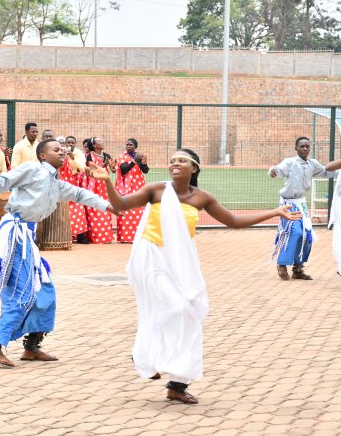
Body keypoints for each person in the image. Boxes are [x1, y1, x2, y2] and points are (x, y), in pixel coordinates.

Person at [86, 148, 301, 404]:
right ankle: (146, 355)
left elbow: (233, 220)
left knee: (189, 313)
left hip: (180, 262)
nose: (175, 164)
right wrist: (107, 181)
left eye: (182, 161)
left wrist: (275, 212)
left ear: (194, 168)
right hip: (152, 258)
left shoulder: (202, 197)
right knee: (175, 307)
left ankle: (178, 384)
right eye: (172, 161)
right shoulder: (156, 190)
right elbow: (120, 205)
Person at [0, 139, 116, 368]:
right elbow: (6, 179)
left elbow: (81, 194)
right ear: (42, 155)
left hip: (28, 237)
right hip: (14, 234)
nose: (62, 152)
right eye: (56, 150)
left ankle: (32, 347)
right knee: (22, 291)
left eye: (63, 150)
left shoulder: (56, 184)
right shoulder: (33, 169)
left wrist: (109, 206)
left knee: (44, 289)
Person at [269, 137, 341, 280]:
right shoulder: (290, 162)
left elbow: (327, 172)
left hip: (301, 203)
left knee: (307, 235)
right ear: (296, 148)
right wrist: (273, 171)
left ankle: (297, 268)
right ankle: (282, 264)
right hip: (288, 203)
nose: (305, 149)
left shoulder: (312, 164)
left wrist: (338, 171)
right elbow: (278, 170)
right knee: (294, 231)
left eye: (307, 146)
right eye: (302, 146)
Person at [115, 138, 150, 242]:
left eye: (130, 144)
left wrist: (144, 163)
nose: (128, 146)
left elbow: (145, 171)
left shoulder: (140, 156)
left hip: (138, 185)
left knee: (138, 209)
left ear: (135, 146)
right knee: (126, 209)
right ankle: (125, 236)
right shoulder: (122, 156)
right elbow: (124, 170)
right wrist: (134, 161)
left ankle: (138, 236)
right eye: (127, 144)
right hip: (126, 187)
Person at [85, 137, 117, 244]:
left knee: (105, 208)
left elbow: (113, 170)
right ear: (94, 145)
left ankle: (106, 237)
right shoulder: (89, 156)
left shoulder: (107, 155)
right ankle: (96, 237)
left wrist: (112, 167)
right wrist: (104, 165)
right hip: (94, 184)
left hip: (104, 185)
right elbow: (93, 170)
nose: (102, 142)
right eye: (99, 141)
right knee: (94, 208)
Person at [60, 136, 90, 244]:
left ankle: (81, 236)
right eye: (68, 142)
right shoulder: (60, 153)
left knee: (78, 210)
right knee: (64, 212)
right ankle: (66, 236)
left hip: (75, 185)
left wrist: (72, 159)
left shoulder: (79, 154)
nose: (70, 144)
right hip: (62, 186)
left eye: (72, 142)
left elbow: (80, 169)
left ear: (75, 144)